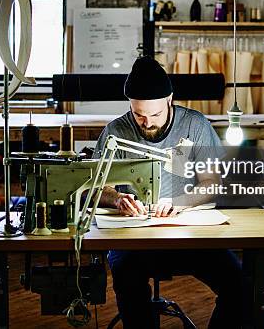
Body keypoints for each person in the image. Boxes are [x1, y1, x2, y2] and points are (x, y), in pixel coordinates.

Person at [94, 56, 243, 328]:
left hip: (188, 231)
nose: (147, 123)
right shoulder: (116, 131)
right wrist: (117, 199)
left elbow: (213, 182)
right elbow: (98, 188)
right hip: (134, 235)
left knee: (240, 284)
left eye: (155, 115)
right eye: (139, 115)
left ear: (169, 100)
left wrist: (180, 202)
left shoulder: (195, 126)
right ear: (130, 105)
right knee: (128, 282)